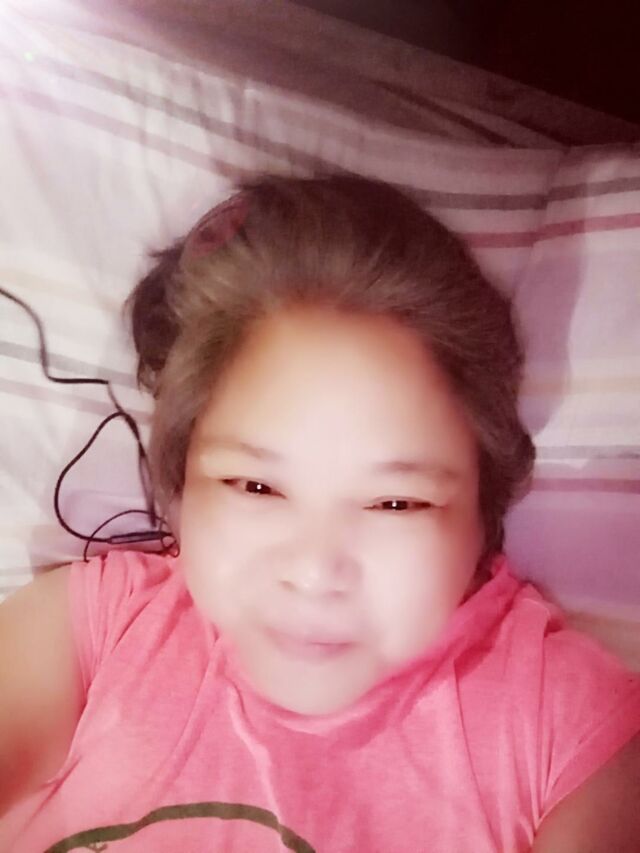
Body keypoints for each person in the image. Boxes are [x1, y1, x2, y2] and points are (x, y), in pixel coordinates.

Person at [1, 174, 639, 853]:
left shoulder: (564, 732)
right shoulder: (94, 631)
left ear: (483, 513)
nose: (313, 571)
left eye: (395, 502)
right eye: (255, 486)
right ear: (183, 477)